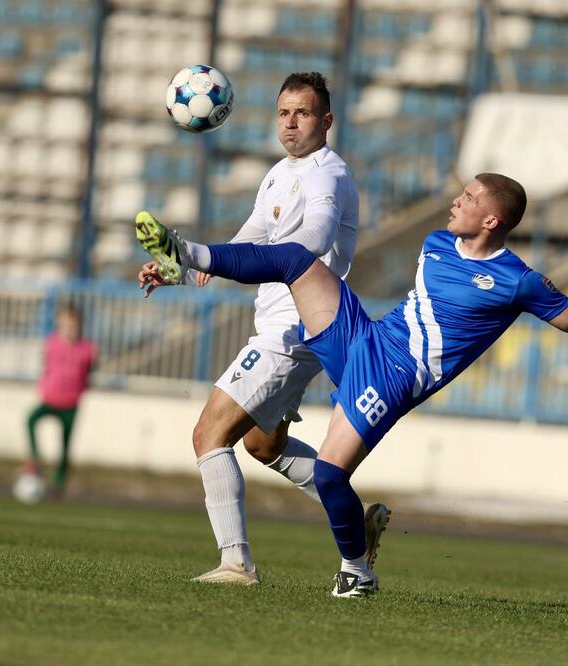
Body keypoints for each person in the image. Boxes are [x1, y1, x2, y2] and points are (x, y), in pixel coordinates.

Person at [137, 172, 568, 597]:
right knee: (294, 260)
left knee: (331, 476)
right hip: (367, 336)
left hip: (395, 376)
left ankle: (357, 571)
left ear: (491, 220)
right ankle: (187, 252)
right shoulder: (438, 242)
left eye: (468, 198)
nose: (455, 202)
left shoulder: (517, 280)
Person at [136, 71, 389, 586]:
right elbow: (243, 247)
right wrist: (179, 270)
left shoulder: (328, 174)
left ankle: (236, 562)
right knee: (263, 446)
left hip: (293, 328)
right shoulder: (278, 174)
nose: (291, 123)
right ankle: (355, 524)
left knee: (209, 433)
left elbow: (314, 236)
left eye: (303, 113)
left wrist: (283, 253)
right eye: (283, 113)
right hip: (290, 327)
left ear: (327, 120)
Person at [24, 304, 96, 498]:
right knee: (31, 420)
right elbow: (46, 366)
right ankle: (35, 459)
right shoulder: (51, 344)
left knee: (65, 445)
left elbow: (88, 371)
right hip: (50, 398)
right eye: (66, 325)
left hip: (71, 403)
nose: (70, 330)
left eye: (74, 326)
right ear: (59, 325)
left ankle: (58, 482)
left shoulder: (87, 349)